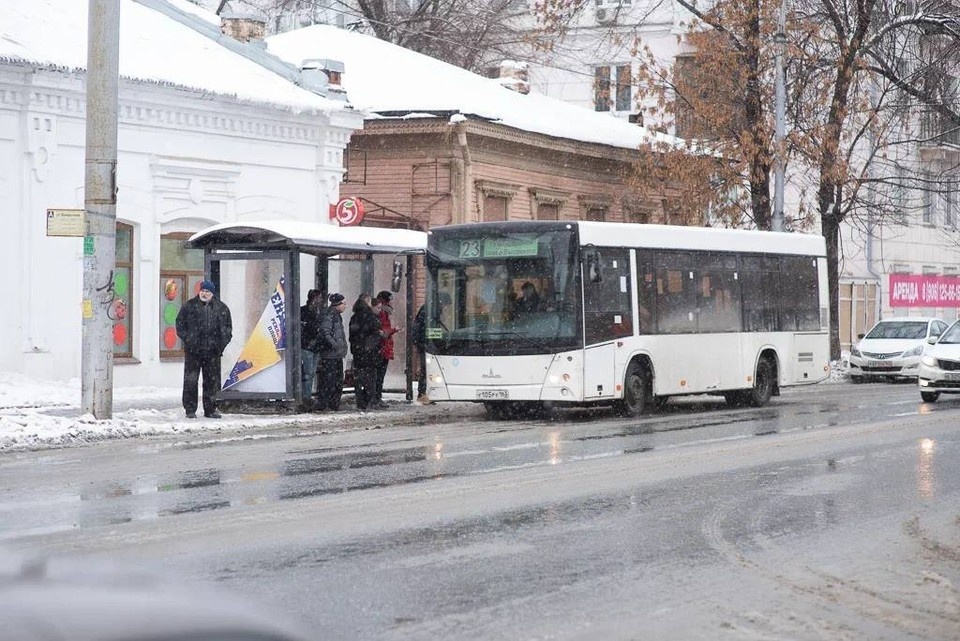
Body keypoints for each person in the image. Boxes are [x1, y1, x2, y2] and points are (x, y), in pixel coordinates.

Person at [175, 279, 232, 419]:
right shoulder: (189, 306)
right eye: (202, 291)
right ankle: (190, 409)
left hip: (213, 352)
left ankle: (210, 409)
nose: (204, 293)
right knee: (190, 381)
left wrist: (220, 345)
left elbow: (227, 329)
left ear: (212, 293)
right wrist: (189, 340)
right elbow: (180, 325)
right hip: (193, 352)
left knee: (211, 382)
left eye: (207, 291)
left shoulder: (221, 308)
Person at [411, 292, 448, 405]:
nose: (445, 307)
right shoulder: (430, 311)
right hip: (425, 343)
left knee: (427, 369)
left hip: (424, 343)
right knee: (426, 369)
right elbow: (427, 328)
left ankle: (424, 394)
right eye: (445, 305)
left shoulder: (429, 309)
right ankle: (422, 394)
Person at [349, 293, 383, 411]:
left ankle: (361, 401)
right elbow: (376, 333)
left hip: (358, 352)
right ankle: (368, 400)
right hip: (369, 353)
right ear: (367, 302)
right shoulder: (370, 317)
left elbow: (352, 336)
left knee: (360, 378)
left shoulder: (354, 317)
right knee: (370, 378)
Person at [315, 292, 348, 411]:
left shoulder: (335, 315)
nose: (345, 306)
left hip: (335, 354)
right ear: (337, 304)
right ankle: (326, 404)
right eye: (344, 303)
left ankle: (332, 404)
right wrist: (335, 346)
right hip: (330, 355)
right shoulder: (329, 315)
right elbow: (325, 332)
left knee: (336, 381)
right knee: (329, 381)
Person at [373, 290, 401, 410]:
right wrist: (394, 329)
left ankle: (376, 397)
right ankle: (376, 398)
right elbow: (383, 332)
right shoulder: (382, 313)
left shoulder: (382, 312)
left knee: (378, 375)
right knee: (379, 375)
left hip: (383, 347)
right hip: (382, 348)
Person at [299, 289, 324, 410]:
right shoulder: (305, 311)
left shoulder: (318, 312)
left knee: (311, 373)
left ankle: (307, 396)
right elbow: (305, 327)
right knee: (308, 373)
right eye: (319, 298)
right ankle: (306, 397)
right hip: (307, 346)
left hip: (314, 347)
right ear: (314, 298)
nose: (320, 301)